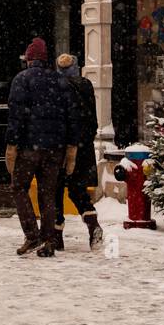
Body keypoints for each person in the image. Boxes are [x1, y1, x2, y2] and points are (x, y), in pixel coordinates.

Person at [6, 37, 79, 257]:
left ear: (29, 60)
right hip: (55, 148)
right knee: (47, 194)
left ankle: (32, 234)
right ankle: (49, 239)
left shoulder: (21, 80)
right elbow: (72, 116)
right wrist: (71, 146)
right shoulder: (60, 81)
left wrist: (12, 145)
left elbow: (16, 115)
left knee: (19, 187)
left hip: (30, 147)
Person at [54, 53, 103, 250]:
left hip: (61, 146)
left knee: (55, 189)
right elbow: (92, 120)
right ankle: (93, 225)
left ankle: (56, 235)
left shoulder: (57, 87)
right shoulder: (86, 85)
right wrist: (86, 140)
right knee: (77, 190)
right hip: (83, 146)